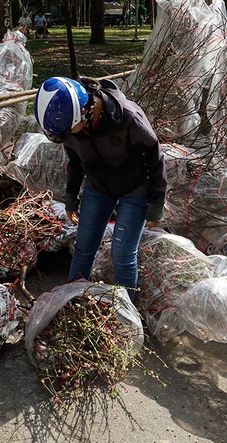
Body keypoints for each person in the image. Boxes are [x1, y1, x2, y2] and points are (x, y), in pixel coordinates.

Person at [34, 76, 167, 302]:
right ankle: (72, 300)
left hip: (135, 186)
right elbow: (75, 161)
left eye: (69, 132)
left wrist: (156, 203)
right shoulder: (70, 127)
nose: (68, 137)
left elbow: (155, 156)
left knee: (123, 254)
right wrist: (71, 196)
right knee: (84, 246)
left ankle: (126, 314)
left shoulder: (128, 117)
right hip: (98, 186)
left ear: (85, 112)